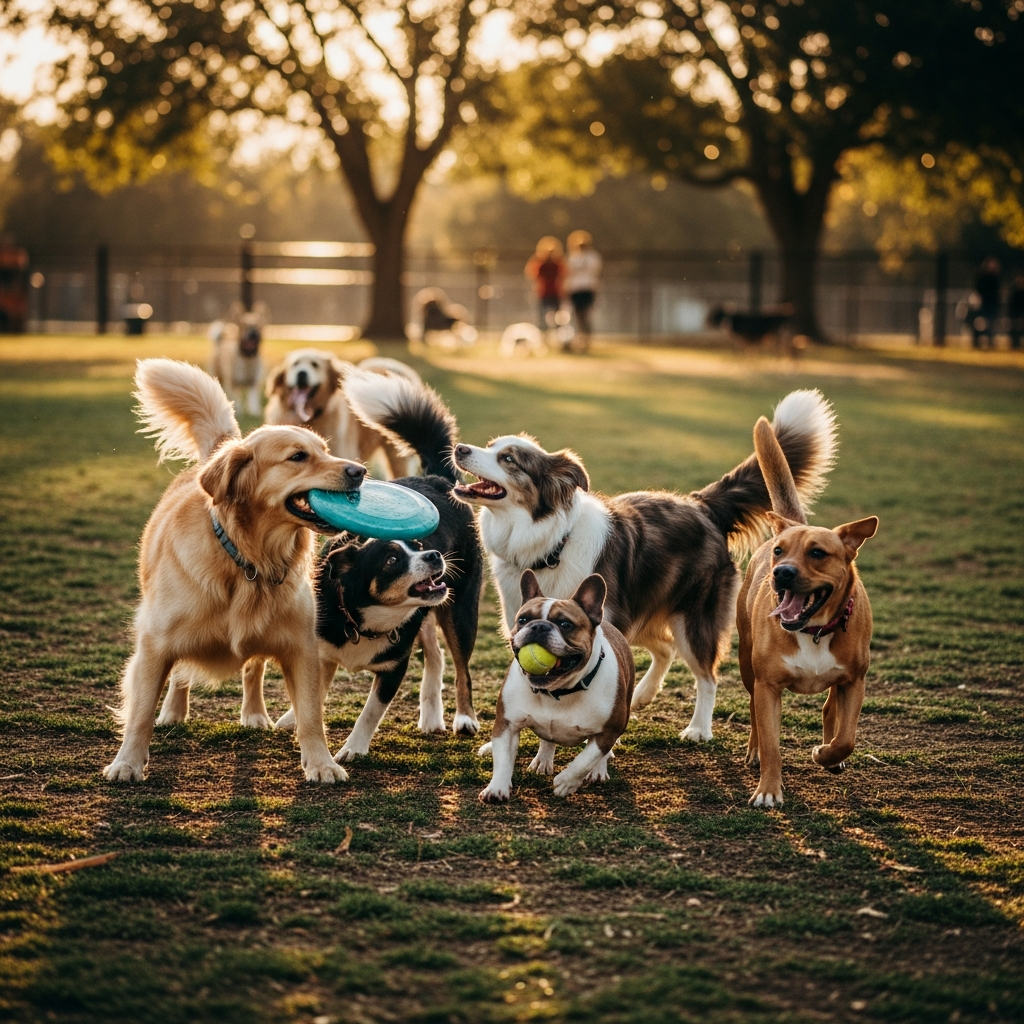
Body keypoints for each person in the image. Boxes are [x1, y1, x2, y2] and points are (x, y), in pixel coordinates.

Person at [564, 230, 602, 352]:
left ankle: (587, 339)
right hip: (575, 289)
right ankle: (580, 338)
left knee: (586, 315)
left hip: (587, 288)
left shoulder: (592, 257)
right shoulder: (572, 257)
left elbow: (595, 273)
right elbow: (568, 274)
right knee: (578, 315)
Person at [525, 236, 565, 332]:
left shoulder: (558, 263)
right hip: (543, 292)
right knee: (541, 316)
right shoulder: (540, 263)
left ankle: (558, 335)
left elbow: (564, 275)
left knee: (558, 316)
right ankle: (543, 335)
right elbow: (532, 274)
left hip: (556, 292)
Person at [971, 257, 1001, 349]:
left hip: (992, 304)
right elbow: (977, 290)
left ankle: (990, 342)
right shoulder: (981, 277)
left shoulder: (995, 278)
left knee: (990, 323)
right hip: (983, 304)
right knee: (978, 323)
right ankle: (977, 342)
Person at [1008, 272, 1024, 351]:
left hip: (1021, 314)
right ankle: (1014, 344)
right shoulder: (1014, 292)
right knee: (1015, 330)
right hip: (1015, 314)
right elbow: (1012, 305)